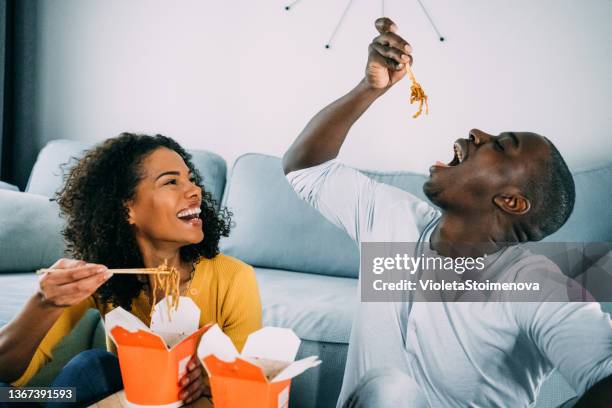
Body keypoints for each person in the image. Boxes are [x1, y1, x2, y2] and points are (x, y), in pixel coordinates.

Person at [282, 17, 612, 408]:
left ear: (511, 202)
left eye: (502, 146)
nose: (477, 133)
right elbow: (304, 168)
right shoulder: (392, 218)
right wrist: (368, 90)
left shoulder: (536, 286)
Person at [0, 133, 262, 406]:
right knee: (17, 393)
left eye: (191, 179)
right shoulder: (102, 277)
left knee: (93, 365)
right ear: (127, 210)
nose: (195, 190)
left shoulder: (233, 278)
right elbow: (6, 368)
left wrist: (210, 382)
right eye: (171, 182)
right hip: (116, 398)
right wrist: (43, 303)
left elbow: (247, 389)